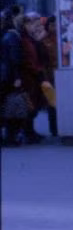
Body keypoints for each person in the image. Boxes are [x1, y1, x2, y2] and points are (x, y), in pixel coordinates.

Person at [18, 12, 49, 143]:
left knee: (34, 104)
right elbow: (28, 59)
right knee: (30, 104)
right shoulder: (24, 40)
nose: (35, 25)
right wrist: (37, 70)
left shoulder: (31, 38)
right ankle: (28, 133)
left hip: (34, 76)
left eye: (36, 22)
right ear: (25, 25)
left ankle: (30, 131)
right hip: (29, 77)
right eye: (31, 23)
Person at [1, 8, 25, 146]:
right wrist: (17, 76)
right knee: (11, 107)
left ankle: (9, 136)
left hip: (5, 75)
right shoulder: (12, 36)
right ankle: (11, 137)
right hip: (9, 76)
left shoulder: (6, 35)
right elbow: (15, 58)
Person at [40, 16, 59, 136]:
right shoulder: (44, 40)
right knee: (52, 103)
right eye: (52, 25)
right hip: (49, 74)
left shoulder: (61, 37)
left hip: (58, 73)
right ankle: (54, 128)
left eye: (56, 25)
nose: (55, 27)